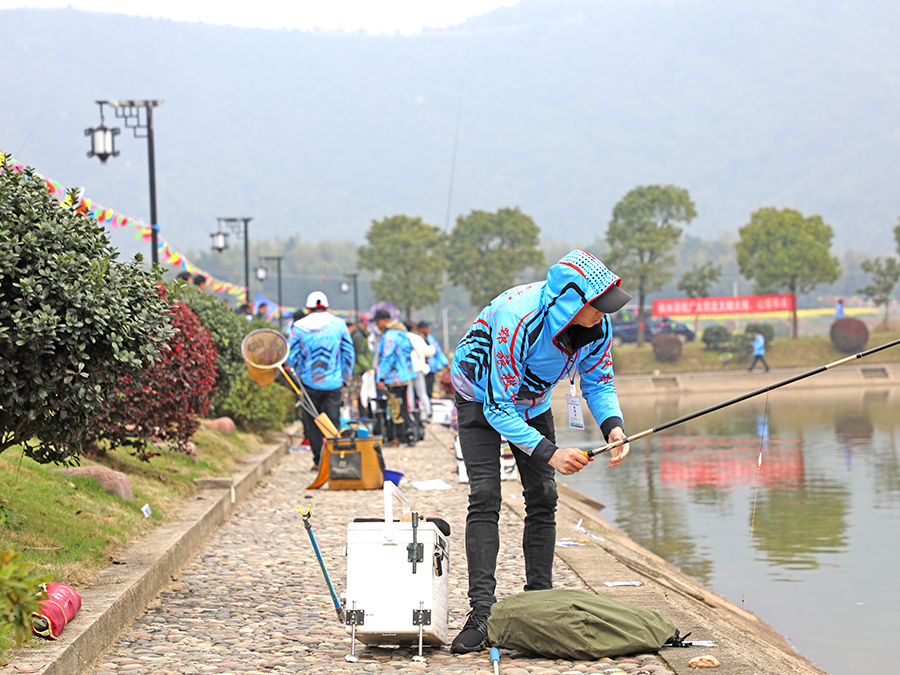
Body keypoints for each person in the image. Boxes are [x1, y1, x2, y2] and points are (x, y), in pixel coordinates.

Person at [449, 249, 633, 653]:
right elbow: (498, 407)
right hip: (480, 397)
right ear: (570, 301)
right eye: (597, 306)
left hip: (531, 402)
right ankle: (481, 613)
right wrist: (550, 452)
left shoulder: (596, 328)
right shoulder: (520, 321)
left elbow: (598, 382)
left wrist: (613, 427)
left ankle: (539, 602)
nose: (604, 314)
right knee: (485, 495)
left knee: (544, 496)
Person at [286, 291, 355, 469]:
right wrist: (345, 377)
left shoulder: (298, 327)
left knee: (313, 423)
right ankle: (336, 458)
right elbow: (348, 353)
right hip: (333, 382)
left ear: (308, 308)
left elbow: (293, 356)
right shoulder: (339, 325)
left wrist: (298, 377)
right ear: (326, 306)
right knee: (333, 420)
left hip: (308, 383)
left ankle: (318, 461)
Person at [373, 309, 417, 446]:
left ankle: (399, 438)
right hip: (405, 376)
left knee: (395, 408)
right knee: (403, 407)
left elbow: (387, 358)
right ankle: (407, 436)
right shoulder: (401, 333)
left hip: (394, 378)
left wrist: (380, 377)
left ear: (384, 321)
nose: (376, 325)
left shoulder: (389, 336)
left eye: (377, 322)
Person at [407, 322, 436, 424]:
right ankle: (428, 413)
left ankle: (411, 414)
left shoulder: (403, 338)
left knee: (409, 393)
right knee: (422, 393)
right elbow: (428, 352)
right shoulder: (418, 338)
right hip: (419, 369)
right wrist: (433, 347)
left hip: (408, 370)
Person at [417, 321, 449, 402]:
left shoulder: (431, 339)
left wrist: (445, 364)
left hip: (430, 368)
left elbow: (438, 352)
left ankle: (428, 404)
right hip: (420, 368)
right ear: (421, 329)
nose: (428, 330)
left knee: (429, 387)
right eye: (426, 328)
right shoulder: (417, 338)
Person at [350, 317, 374, 418]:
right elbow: (359, 354)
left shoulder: (364, 336)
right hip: (360, 369)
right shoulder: (358, 336)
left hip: (364, 369)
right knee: (359, 393)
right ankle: (360, 415)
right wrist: (367, 367)